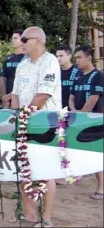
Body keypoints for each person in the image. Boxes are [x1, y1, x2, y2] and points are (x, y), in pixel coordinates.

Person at [10, 26, 60, 227]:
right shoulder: (22, 64)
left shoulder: (50, 62)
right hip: (23, 121)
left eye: (25, 39)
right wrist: (14, 117)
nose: (21, 43)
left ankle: (46, 218)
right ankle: (30, 213)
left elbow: (43, 95)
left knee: (45, 172)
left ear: (39, 40)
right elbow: (14, 93)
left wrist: (23, 114)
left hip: (45, 123)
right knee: (25, 167)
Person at [69, 45, 103, 200]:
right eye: (76, 58)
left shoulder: (98, 75)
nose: (77, 61)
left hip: (94, 120)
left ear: (89, 58)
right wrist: (74, 112)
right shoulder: (77, 76)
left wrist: (81, 116)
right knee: (79, 150)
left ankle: (101, 188)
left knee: (95, 153)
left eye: (79, 57)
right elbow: (71, 97)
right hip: (79, 119)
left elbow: (94, 98)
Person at [0, 29, 26, 107]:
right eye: (12, 38)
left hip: (22, 98)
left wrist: (11, 95)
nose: (12, 40)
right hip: (7, 100)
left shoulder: (27, 59)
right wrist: (4, 97)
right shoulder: (8, 58)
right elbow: (3, 79)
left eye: (15, 38)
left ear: (22, 40)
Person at [56, 45, 79, 109]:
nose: (58, 59)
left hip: (74, 110)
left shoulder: (78, 72)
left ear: (69, 56)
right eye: (57, 56)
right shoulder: (55, 72)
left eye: (61, 56)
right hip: (58, 109)